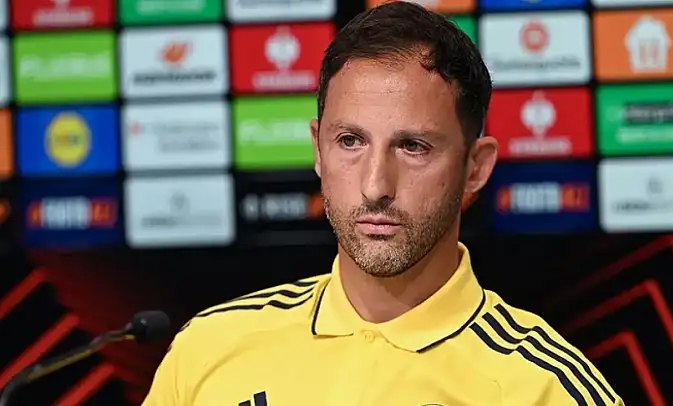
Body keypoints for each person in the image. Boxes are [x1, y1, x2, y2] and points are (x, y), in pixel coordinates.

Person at [142, 2, 624, 405]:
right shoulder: (207, 350)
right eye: (350, 141)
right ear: (318, 151)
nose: (375, 186)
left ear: (476, 167)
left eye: (413, 147)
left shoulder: (544, 390)